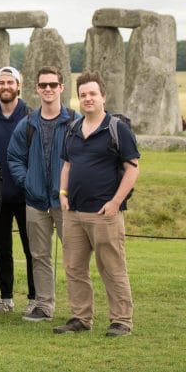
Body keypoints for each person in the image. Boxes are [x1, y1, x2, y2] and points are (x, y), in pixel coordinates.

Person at [53, 72, 139, 337]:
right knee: (74, 268)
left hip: (105, 214)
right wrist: (63, 193)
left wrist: (115, 202)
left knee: (112, 268)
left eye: (92, 93)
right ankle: (81, 318)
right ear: (78, 99)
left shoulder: (116, 128)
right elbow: (67, 164)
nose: (87, 98)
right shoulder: (73, 129)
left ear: (103, 96)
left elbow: (132, 168)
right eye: (83, 95)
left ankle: (121, 320)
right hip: (74, 213)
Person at [8, 66, 78, 322]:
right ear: (37, 89)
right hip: (36, 199)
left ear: (61, 87)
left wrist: (74, 188)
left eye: (52, 84)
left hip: (66, 200)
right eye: (43, 85)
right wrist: (28, 182)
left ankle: (79, 308)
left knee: (74, 255)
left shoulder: (75, 121)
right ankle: (44, 305)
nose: (47, 89)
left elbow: (85, 157)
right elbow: (14, 157)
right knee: (39, 255)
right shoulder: (27, 124)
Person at [0, 66, 35, 314]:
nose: (6, 87)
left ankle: (35, 298)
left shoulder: (32, 117)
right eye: (1, 83)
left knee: (33, 249)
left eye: (10, 82)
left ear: (19, 86)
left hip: (28, 195)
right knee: (2, 249)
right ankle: (7, 298)